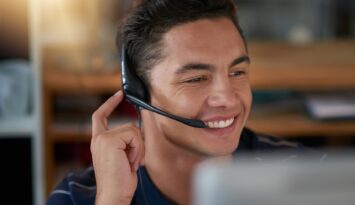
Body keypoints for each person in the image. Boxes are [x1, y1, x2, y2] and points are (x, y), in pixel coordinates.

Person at [46, 0, 305, 204]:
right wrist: (114, 201)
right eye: (196, 79)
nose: (227, 98)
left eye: (236, 72)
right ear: (137, 90)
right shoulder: (75, 199)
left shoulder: (306, 175)